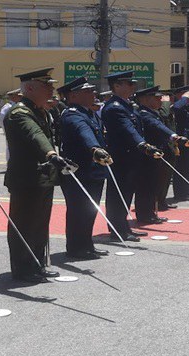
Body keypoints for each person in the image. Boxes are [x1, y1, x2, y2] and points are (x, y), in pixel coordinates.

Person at [3, 68, 74, 282]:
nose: (52, 89)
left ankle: (37, 263)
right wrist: (51, 154)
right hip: (26, 178)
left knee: (40, 223)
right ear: (31, 88)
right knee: (24, 224)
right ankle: (23, 268)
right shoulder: (19, 113)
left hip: (42, 177)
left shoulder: (41, 110)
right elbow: (35, 134)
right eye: (47, 85)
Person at [101, 71, 162, 242]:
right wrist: (142, 144)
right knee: (118, 195)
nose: (132, 86)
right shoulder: (114, 107)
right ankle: (117, 229)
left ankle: (123, 226)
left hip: (131, 157)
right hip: (120, 157)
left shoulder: (126, 105)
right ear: (116, 86)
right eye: (128, 83)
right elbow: (128, 129)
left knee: (127, 194)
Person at [58, 77, 112, 259]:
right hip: (79, 172)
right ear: (73, 95)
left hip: (93, 171)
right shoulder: (72, 114)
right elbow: (84, 132)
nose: (93, 93)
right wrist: (95, 148)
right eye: (88, 91)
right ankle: (75, 247)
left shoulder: (89, 113)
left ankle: (87, 244)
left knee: (90, 210)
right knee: (78, 211)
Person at [136, 86, 189, 223]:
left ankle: (150, 213)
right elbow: (158, 126)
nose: (161, 99)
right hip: (148, 154)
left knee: (154, 185)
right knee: (147, 187)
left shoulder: (152, 112)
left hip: (159, 152)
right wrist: (174, 136)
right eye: (157, 97)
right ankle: (145, 215)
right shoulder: (144, 113)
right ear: (146, 99)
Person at [0, 88, 22, 161]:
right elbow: (3, 121)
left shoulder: (17, 105)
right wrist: (7, 131)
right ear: (13, 97)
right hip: (11, 131)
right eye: (19, 96)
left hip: (17, 131)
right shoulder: (7, 107)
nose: (21, 97)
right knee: (10, 147)